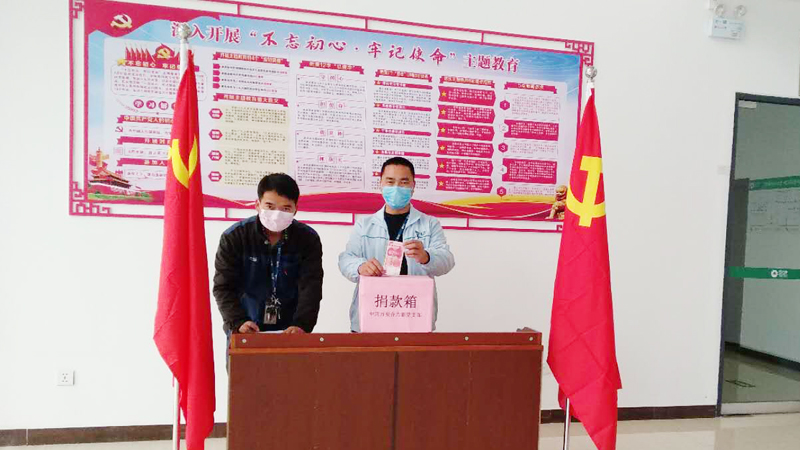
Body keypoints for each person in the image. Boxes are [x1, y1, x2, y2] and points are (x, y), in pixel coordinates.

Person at [338, 157, 455, 332]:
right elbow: (345, 259)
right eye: (390, 181)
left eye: (404, 182)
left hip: (414, 315)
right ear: (381, 184)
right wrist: (360, 267)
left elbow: (447, 261)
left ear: (413, 186)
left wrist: (426, 257)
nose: (396, 188)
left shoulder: (429, 224)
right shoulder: (365, 224)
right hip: (373, 313)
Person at [213, 173, 323, 337]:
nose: (277, 214)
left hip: (290, 330)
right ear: (257, 205)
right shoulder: (235, 237)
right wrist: (238, 321)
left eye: (285, 208)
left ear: (295, 209)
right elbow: (223, 286)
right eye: (270, 206)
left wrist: (302, 324)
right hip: (245, 327)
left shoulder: (308, 239)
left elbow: (311, 287)